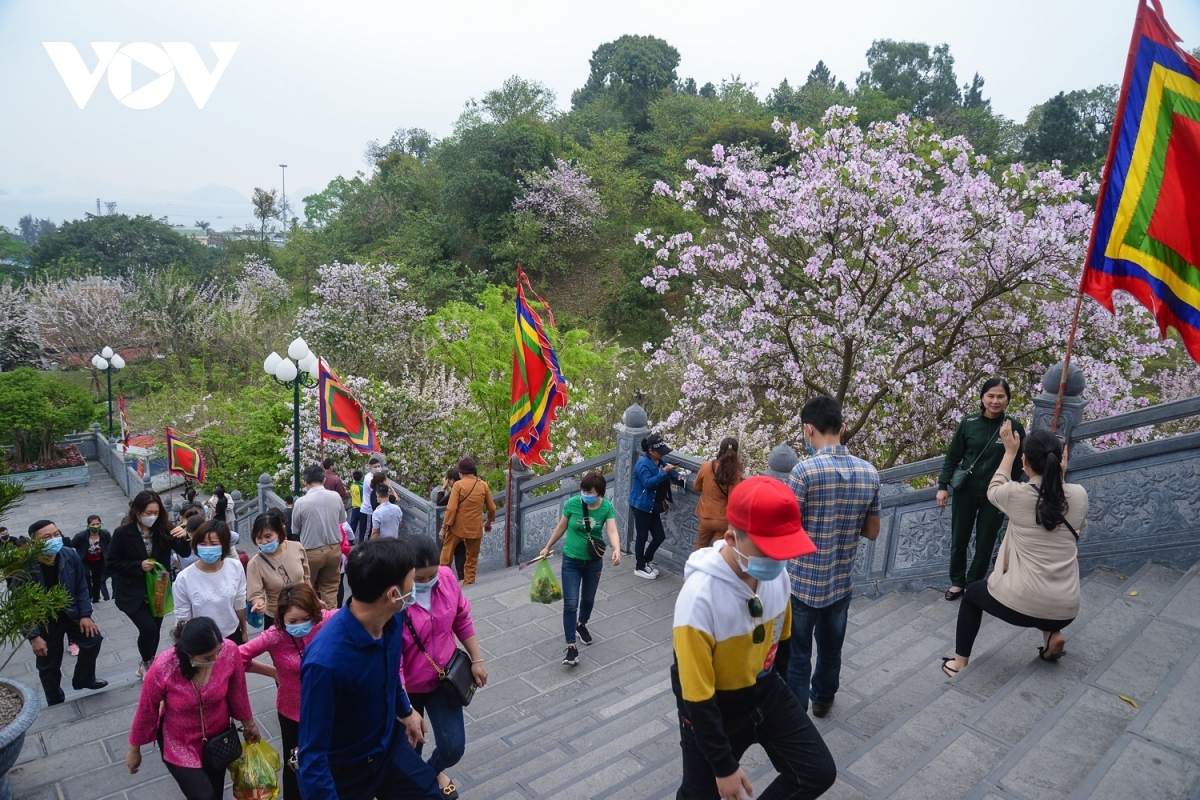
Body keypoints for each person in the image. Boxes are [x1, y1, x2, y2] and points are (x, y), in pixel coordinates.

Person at [672, 476, 835, 800]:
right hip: (714, 706)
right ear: (732, 538)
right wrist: (723, 766)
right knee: (699, 793)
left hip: (766, 689)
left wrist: (785, 698)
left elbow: (782, 643)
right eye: (768, 551)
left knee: (816, 772)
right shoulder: (699, 600)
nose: (778, 561)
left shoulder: (778, 576)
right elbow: (697, 694)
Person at [298, 538, 442, 800]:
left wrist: (405, 710)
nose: (416, 588)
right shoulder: (325, 663)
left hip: (388, 747)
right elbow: (312, 752)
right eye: (413, 581)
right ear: (392, 594)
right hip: (346, 770)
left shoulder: (393, 617)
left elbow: (389, 675)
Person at [941, 425, 1088, 678]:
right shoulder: (1079, 494)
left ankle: (959, 663)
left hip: (1020, 606)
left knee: (973, 593)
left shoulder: (1016, 494)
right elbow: (1063, 510)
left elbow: (993, 489)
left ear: (1025, 461)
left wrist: (1009, 452)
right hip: (1067, 609)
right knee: (1048, 585)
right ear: (1061, 460)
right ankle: (1053, 634)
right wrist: (1060, 479)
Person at [785, 396, 881, 718]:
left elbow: (788, 529)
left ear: (807, 430)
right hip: (841, 581)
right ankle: (823, 700)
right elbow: (872, 531)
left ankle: (796, 718)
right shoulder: (870, 473)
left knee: (798, 654)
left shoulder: (803, 472)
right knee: (830, 649)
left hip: (802, 583)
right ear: (842, 427)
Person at [127, 616, 262, 800]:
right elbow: (146, 710)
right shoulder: (164, 667)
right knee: (204, 796)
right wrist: (134, 750)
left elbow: (238, 693)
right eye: (208, 657)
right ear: (189, 653)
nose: (216, 659)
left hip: (218, 738)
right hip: (180, 742)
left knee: (215, 792)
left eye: (218, 652)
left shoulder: (229, 651)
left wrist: (249, 725)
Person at [402, 536, 488, 798]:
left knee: (453, 747)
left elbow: (461, 618)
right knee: (409, 750)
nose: (428, 582)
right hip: (406, 688)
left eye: (432, 575)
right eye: (420, 578)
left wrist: (477, 659)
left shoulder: (447, 578)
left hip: (443, 679)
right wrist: (405, 710)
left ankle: (430, 773)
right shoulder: (394, 600)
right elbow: (390, 661)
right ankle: (415, 787)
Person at [241, 583, 336, 800]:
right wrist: (273, 672)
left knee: (331, 760)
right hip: (293, 712)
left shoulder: (327, 621)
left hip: (329, 708)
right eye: (292, 621)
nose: (300, 625)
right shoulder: (274, 636)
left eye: (306, 619)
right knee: (295, 764)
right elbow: (236, 657)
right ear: (281, 618)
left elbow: (356, 615)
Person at [937, 378, 1026, 601]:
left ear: (1007, 399)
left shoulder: (1013, 427)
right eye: (991, 396)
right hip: (966, 490)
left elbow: (1018, 463)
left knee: (985, 540)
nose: (995, 401)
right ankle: (957, 582)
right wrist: (942, 486)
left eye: (1000, 396)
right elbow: (953, 456)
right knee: (960, 538)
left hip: (995, 495)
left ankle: (973, 583)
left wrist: (1009, 489)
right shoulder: (969, 423)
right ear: (982, 398)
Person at [538, 471, 623, 666]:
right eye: (584, 490)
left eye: (590, 491)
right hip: (571, 560)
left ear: (599, 492)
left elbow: (611, 529)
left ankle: (581, 623)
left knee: (588, 599)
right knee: (570, 603)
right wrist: (548, 546)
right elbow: (561, 527)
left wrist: (617, 548)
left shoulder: (606, 507)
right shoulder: (573, 504)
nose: (585, 494)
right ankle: (571, 647)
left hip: (593, 561)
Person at [108, 490, 193, 678]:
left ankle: (148, 662)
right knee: (147, 628)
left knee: (154, 629)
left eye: (155, 512)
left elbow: (184, 552)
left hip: (158, 589)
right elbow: (111, 563)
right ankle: (147, 662)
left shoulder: (163, 528)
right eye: (148, 513)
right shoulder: (123, 533)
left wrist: (184, 536)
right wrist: (138, 566)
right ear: (137, 511)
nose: (152, 517)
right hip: (132, 591)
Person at [25, 519, 107, 704]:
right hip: (44, 620)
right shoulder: (25, 567)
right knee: (48, 663)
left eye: (56, 534)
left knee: (93, 640)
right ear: (33, 542)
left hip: (71, 613)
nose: (54, 539)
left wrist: (86, 615)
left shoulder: (70, 555)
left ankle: (83, 678)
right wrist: (33, 636)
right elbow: (21, 606)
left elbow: (81, 586)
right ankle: (54, 699)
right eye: (47, 537)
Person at [173, 520, 248, 644]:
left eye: (214, 544)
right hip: (202, 640)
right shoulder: (184, 578)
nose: (208, 549)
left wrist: (244, 631)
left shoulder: (235, 567)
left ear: (224, 545)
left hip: (232, 634)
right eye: (202, 544)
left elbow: (239, 602)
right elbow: (182, 617)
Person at [291, 463, 347, 610]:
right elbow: (342, 519)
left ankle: (314, 622)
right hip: (334, 549)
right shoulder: (335, 496)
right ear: (323, 480)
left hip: (311, 551)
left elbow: (295, 529)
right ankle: (330, 621)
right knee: (330, 589)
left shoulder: (301, 502)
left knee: (308, 590)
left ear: (305, 481)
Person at [247, 512, 311, 629]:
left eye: (268, 536)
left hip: (303, 612)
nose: (264, 542)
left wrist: (314, 600)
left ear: (279, 532)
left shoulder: (297, 547)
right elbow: (256, 594)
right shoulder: (255, 564)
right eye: (259, 538)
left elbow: (306, 579)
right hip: (276, 618)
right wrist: (259, 603)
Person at [629, 433, 680, 579]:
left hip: (653, 506)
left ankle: (645, 561)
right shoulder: (643, 464)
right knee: (642, 536)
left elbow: (669, 473)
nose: (662, 454)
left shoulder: (660, 461)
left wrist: (678, 477)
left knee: (659, 536)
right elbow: (647, 483)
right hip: (641, 505)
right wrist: (664, 472)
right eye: (660, 451)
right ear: (650, 450)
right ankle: (639, 567)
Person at [439, 457, 495, 586]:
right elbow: (491, 507)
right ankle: (469, 584)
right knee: (472, 558)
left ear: (461, 472)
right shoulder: (483, 485)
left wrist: (444, 528)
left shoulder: (458, 485)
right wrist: (489, 522)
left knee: (446, 554)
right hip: (475, 527)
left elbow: (451, 508)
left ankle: (444, 581)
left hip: (457, 527)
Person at [691, 438, 744, 551]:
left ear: (720, 450)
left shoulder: (706, 466)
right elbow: (733, 500)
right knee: (717, 550)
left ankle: (694, 568)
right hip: (722, 519)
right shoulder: (734, 474)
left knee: (700, 546)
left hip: (705, 515)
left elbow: (696, 487)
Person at [432, 469, 467, 580]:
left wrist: (443, 487)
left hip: (452, 528)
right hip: (464, 527)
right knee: (461, 555)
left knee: (445, 557)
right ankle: (463, 579)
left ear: (450, 480)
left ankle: (447, 580)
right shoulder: (465, 488)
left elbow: (440, 502)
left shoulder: (455, 491)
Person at [72, 514, 111, 603]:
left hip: (99, 560)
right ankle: (89, 595)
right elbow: (73, 544)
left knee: (97, 579)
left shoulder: (105, 534)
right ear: (88, 526)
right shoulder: (81, 536)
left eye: (97, 524)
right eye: (93, 524)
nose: (95, 526)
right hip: (85, 559)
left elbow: (110, 543)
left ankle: (96, 598)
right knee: (86, 576)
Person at [357, 456, 385, 543]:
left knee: (371, 532)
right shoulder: (369, 478)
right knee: (366, 532)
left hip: (373, 510)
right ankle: (362, 549)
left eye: (378, 466)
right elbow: (376, 488)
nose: (377, 468)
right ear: (370, 468)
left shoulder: (375, 477)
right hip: (367, 509)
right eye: (375, 467)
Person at [349, 469, 365, 537]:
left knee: (353, 524)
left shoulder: (352, 486)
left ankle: (350, 540)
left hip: (354, 507)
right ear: (361, 477)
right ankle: (361, 540)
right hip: (361, 508)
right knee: (362, 525)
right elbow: (363, 498)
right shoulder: (361, 487)